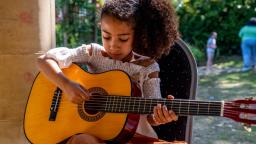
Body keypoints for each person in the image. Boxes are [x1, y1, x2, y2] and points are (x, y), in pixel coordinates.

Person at [37, 0, 181, 143]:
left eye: (123, 39)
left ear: (139, 36)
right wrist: (66, 85)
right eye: (106, 36)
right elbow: (44, 60)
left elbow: (151, 114)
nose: (113, 45)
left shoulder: (148, 67)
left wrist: (159, 116)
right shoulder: (92, 53)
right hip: (92, 131)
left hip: (131, 136)